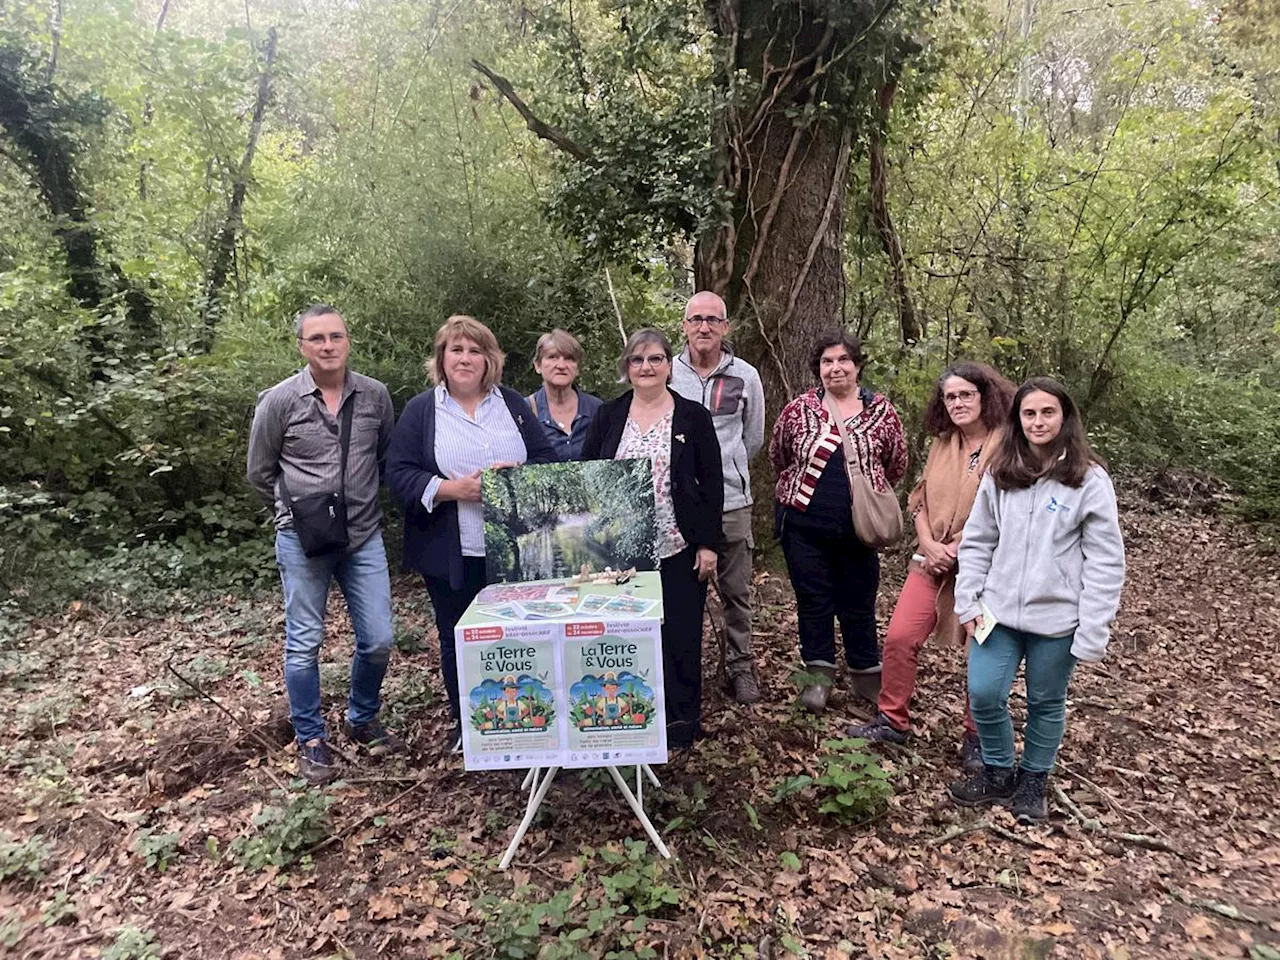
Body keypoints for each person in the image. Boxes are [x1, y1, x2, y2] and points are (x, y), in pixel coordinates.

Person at [949, 377, 1125, 824]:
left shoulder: (1088, 479)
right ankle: (998, 770)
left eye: (1048, 412)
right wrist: (968, 601)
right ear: (1017, 419)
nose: (1038, 421)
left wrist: (1093, 630)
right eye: (1029, 413)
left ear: (1065, 417)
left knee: (1046, 702)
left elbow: (1105, 562)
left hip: (1058, 618)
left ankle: (1033, 781)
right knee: (985, 692)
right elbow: (978, 540)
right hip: (999, 611)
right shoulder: (1002, 471)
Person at [384, 315, 560, 751]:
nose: (465, 358)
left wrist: (518, 475)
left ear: (490, 360)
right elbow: (398, 473)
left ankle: (525, 719)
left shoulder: (515, 405)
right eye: (456, 350)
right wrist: (451, 489)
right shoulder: (423, 410)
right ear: (441, 359)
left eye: (474, 350)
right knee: (459, 635)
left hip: (516, 550)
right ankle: (470, 724)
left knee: (520, 636)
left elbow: (546, 461)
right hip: (451, 548)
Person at [246, 304, 401, 785]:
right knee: (303, 643)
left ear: (348, 340)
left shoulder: (375, 396)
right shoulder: (279, 401)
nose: (328, 346)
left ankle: (361, 718)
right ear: (302, 346)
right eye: (317, 338)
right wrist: (296, 509)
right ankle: (311, 738)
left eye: (335, 336)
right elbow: (260, 470)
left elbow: (383, 458)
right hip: (301, 538)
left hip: (362, 535)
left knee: (378, 639)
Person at [850, 363, 1015, 774]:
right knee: (900, 636)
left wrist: (959, 547)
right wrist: (927, 542)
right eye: (950, 397)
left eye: (966, 395)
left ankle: (977, 736)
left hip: (986, 566)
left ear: (985, 397)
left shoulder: (1008, 444)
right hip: (931, 559)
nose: (957, 403)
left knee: (984, 654)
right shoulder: (944, 443)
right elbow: (920, 499)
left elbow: (1006, 509)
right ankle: (893, 719)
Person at [581, 328, 723, 749]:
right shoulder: (609, 416)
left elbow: (713, 483)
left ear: (668, 365)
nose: (646, 367)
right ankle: (628, 718)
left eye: (656, 359)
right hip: (619, 553)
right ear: (627, 368)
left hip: (678, 545)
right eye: (638, 360)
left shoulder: (693, 416)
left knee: (680, 638)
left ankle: (681, 726)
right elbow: (587, 476)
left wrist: (709, 544)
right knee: (625, 638)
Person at [769, 330, 908, 715]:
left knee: (859, 601)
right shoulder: (799, 410)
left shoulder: (881, 412)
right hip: (804, 527)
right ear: (818, 369)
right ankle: (818, 679)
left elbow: (896, 464)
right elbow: (779, 455)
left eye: (843, 360)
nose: (836, 368)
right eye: (827, 362)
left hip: (859, 530)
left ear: (858, 365)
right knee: (813, 601)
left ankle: (866, 675)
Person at [670, 291, 766, 705]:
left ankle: (740, 667)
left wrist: (726, 468)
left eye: (713, 319)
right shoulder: (666, 373)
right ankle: (680, 668)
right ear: (685, 326)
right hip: (678, 505)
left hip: (731, 501)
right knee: (678, 590)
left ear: (725, 327)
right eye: (696, 319)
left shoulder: (746, 376)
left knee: (736, 591)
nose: (704, 327)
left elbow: (753, 438)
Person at [526, 328, 603, 461]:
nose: (561, 365)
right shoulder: (523, 411)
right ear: (538, 366)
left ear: (577, 368)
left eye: (569, 358)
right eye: (552, 357)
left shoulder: (597, 409)